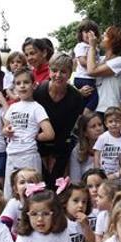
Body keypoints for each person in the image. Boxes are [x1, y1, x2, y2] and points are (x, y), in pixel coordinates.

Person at [2, 69, 54, 199]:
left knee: (32, 194)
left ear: (34, 85)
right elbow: (4, 128)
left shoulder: (37, 108)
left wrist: (34, 136)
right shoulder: (13, 107)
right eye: (18, 83)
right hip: (12, 154)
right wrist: (7, 131)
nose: (22, 86)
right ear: (14, 87)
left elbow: (49, 133)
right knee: (10, 193)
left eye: (26, 82)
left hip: (28, 155)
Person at [35, 54, 84, 184]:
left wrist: (55, 156)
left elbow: (68, 128)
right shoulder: (38, 92)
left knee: (57, 179)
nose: (58, 75)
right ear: (49, 71)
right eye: (54, 70)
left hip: (61, 143)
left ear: (69, 73)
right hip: (38, 142)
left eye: (63, 71)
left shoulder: (76, 97)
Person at [84, 26, 121, 116]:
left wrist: (92, 46)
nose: (102, 36)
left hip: (109, 110)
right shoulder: (101, 60)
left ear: (113, 41)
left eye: (105, 35)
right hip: (93, 109)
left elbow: (91, 71)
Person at [93, 107, 121, 178]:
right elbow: (97, 154)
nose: (114, 124)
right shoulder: (102, 137)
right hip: (103, 175)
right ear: (106, 123)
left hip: (118, 175)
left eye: (117, 121)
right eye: (110, 121)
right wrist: (97, 171)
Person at [73, 19, 101, 111]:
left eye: (92, 32)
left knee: (86, 100)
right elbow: (83, 62)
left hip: (91, 78)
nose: (89, 34)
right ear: (81, 33)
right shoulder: (81, 46)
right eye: (86, 31)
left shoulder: (95, 48)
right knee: (95, 99)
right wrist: (96, 65)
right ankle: (85, 115)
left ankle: (82, 115)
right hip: (83, 78)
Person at [68, 112, 103, 182]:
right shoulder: (77, 151)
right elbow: (75, 180)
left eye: (100, 125)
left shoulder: (112, 145)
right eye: (93, 126)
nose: (98, 129)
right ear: (85, 133)